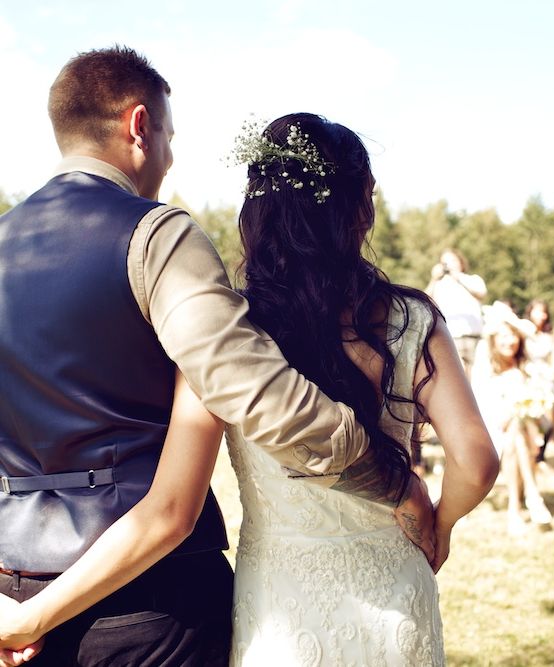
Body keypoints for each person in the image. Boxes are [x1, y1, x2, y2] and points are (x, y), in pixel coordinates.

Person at [0, 48, 432, 665]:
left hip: (16, 594)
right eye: (169, 137)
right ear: (139, 125)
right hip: (151, 601)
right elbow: (256, 392)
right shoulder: (156, 236)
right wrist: (389, 477)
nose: (169, 159)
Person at [223, 113, 499, 665]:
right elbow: (477, 460)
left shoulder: (231, 333)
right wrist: (436, 523)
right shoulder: (411, 319)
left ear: (259, 213)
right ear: (361, 208)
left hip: (281, 601)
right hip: (395, 587)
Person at [473, 302, 552, 535]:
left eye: (514, 336)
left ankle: (515, 510)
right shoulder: (487, 367)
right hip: (492, 428)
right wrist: (506, 417)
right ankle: (532, 495)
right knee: (513, 436)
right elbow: (480, 403)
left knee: (516, 435)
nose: (511, 341)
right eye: (504, 336)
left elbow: (539, 401)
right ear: (494, 339)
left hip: (527, 429)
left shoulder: (526, 366)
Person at [426, 249, 487, 381]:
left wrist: (457, 276)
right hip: (452, 337)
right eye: (444, 262)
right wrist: (434, 279)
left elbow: (481, 292)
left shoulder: (472, 279)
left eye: (452, 260)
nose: (449, 265)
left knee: (478, 378)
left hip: (475, 337)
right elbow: (424, 302)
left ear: (460, 262)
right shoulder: (439, 285)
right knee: (459, 379)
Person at [523, 299, 554, 460]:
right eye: (538, 311)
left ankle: (549, 436)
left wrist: (551, 374)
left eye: (544, 312)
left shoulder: (550, 336)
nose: (541, 315)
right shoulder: (524, 333)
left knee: (551, 402)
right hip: (528, 373)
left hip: (545, 373)